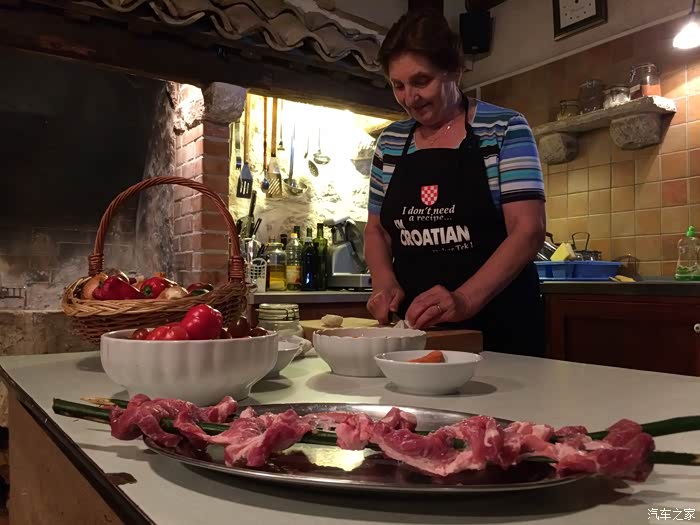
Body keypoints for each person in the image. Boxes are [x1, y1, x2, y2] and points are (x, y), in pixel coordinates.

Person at [364, 10, 546, 356]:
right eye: (398, 86)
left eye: (421, 81)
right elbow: (377, 230)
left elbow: (528, 230)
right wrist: (384, 282)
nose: (409, 98)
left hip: (500, 330)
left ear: (454, 71)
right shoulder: (391, 142)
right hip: (419, 335)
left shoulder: (504, 128)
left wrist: (464, 299)